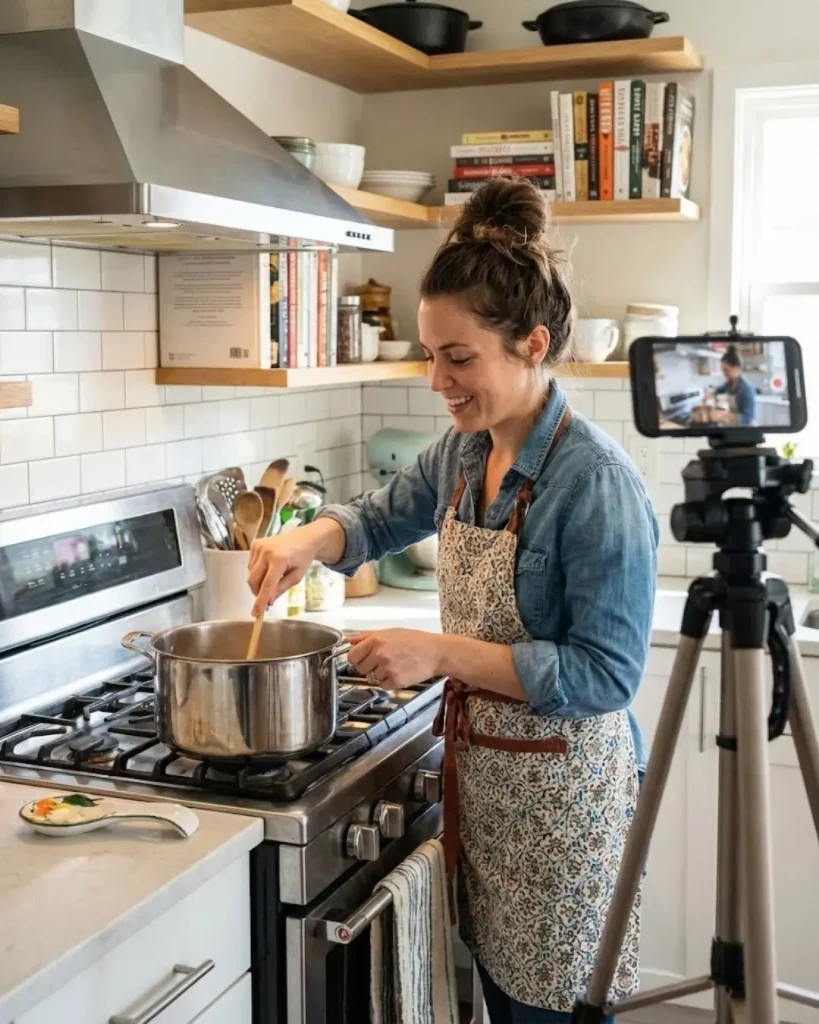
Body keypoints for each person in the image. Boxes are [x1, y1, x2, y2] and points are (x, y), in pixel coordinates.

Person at [248, 178, 659, 1024]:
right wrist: (305, 540)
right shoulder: (465, 451)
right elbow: (379, 517)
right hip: (491, 794)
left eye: (459, 358)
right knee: (497, 1002)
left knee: (554, 1010)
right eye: (432, 354)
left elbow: (604, 675)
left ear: (532, 345)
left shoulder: (593, 482)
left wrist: (438, 653)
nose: (437, 379)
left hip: (566, 810)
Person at [711, 345, 757, 425]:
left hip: (747, 428)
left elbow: (748, 417)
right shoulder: (729, 384)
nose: (724, 374)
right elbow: (719, 390)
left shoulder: (747, 389)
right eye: (723, 370)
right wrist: (711, 393)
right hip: (734, 425)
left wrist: (724, 415)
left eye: (726, 370)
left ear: (736, 368)